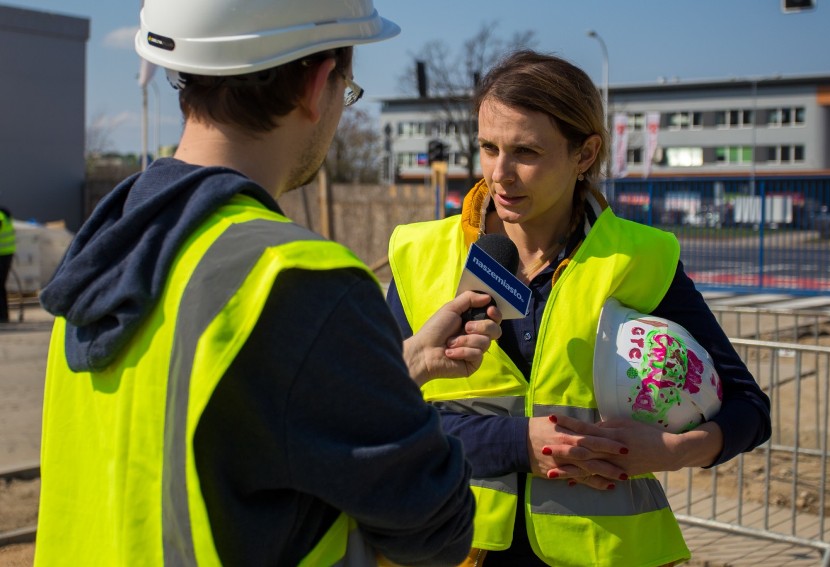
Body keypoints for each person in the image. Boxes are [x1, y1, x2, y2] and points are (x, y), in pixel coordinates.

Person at [34, 2, 503, 566]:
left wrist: (394, 366)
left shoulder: (107, 253)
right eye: (346, 91)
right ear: (318, 81)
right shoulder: (299, 281)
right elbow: (435, 527)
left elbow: (226, 420)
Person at [387, 50, 771, 566]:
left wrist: (673, 450)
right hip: (449, 544)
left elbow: (748, 407)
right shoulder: (418, 254)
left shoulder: (639, 258)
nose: (501, 174)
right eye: (487, 147)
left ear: (584, 154)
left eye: (526, 151)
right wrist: (515, 442)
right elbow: (382, 416)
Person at [0, 206, 14, 323]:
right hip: (6, 254)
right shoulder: (5, 214)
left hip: (2, 254)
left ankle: (2, 316)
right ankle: (3, 315)